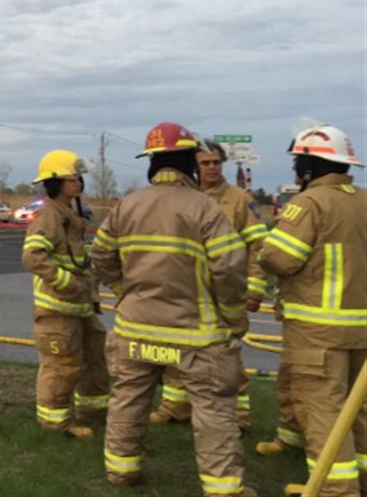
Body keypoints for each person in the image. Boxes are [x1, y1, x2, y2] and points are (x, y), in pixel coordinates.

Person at [91, 121, 254, 496]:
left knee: (128, 401)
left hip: (135, 330)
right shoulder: (205, 208)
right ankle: (224, 489)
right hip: (195, 336)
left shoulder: (126, 205)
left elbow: (100, 256)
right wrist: (233, 316)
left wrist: (124, 290)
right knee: (213, 412)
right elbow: (229, 267)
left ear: (152, 163)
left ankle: (121, 471)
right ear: (189, 162)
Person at [258, 124, 366, 497]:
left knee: (323, 412)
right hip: (361, 331)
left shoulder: (309, 204)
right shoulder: (364, 200)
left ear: (310, 165)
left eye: (298, 162)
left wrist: (266, 246)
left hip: (318, 332)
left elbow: (279, 258)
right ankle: (360, 478)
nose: (295, 170)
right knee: (358, 412)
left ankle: (336, 490)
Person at [151, 139, 269, 427]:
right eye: (205, 163)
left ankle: (238, 415)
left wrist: (254, 288)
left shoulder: (239, 199)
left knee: (226, 354)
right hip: (185, 290)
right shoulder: (181, 198)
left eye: (216, 162)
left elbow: (258, 245)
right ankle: (175, 407)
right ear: (195, 165)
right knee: (177, 350)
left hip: (224, 289)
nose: (212, 168)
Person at [22, 150, 109, 438]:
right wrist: (66, 282)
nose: (79, 183)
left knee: (95, 360)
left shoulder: (69, 217)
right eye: (73, 178)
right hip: (58, 311)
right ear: (56, 182)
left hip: (81, 308)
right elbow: (33, 257)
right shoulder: (48, 217)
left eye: (79, 177)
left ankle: (94, 412)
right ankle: (55, 423)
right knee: (62, 367)